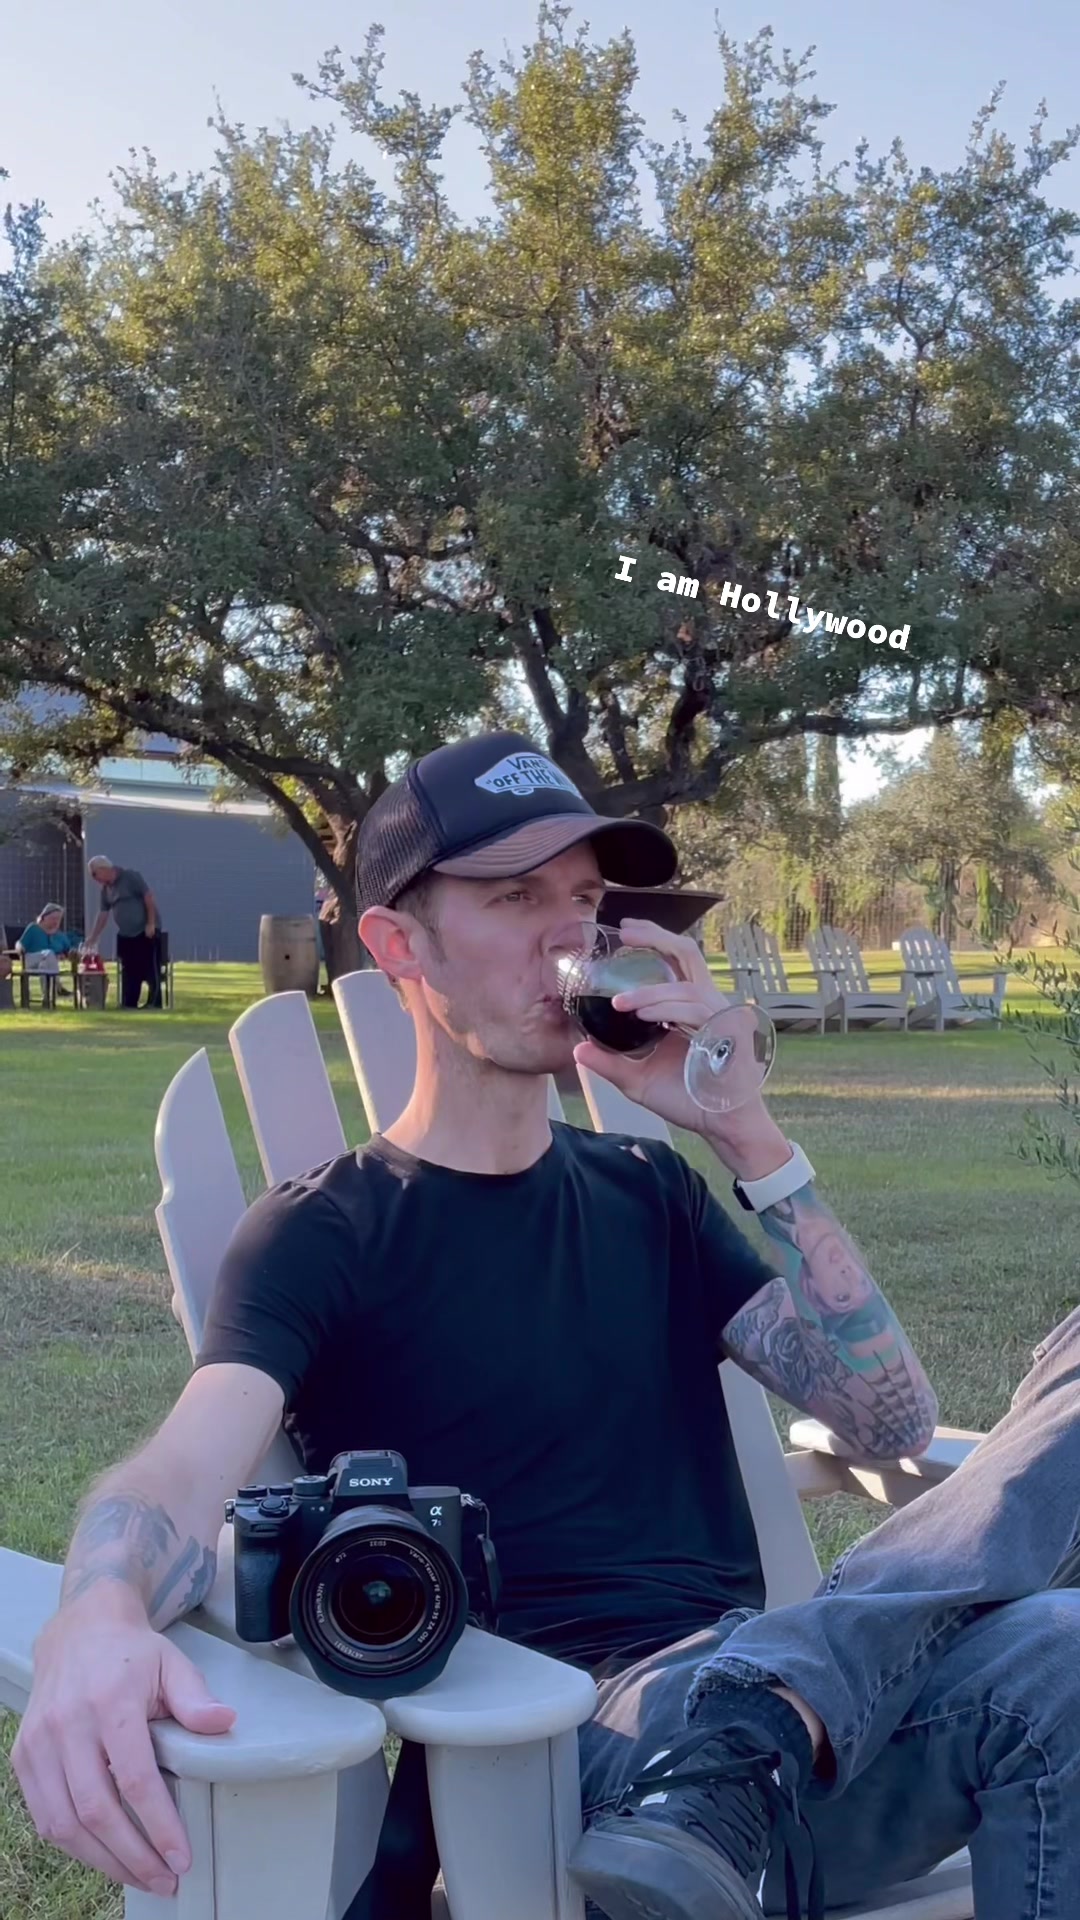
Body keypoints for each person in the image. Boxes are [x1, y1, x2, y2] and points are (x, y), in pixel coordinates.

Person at [10, 730, 1080, 1920]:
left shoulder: (652, 1192)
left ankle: (760, 1721)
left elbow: (892, 1424)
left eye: (582, 900)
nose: (569, 935)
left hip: (786, 1741)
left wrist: (745, 1133)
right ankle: (743, 1729)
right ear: (398, 944)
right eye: (516, 897)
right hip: (577, 1748)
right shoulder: (325, 1233)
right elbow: (179, 1472)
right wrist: (94, 1613)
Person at [82, 857, 162, 1009]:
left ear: (104, 868)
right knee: (129, 970)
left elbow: (148, 897)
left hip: (145, 930)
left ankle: (154, 1002)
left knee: (150, 967)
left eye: (94, 874)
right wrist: (93, 937)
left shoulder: (130, 877)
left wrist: (151, 923)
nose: (94, 879)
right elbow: (103, 914)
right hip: (126, 934)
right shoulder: (106, 890)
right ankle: (129, 1003)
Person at [16, 903, 83, 998]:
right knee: (49, 953)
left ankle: (47, 997)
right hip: (30, 960)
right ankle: (58, 988)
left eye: (58, 919)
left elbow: (69, 951)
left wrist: (73, 954)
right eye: (53, 918)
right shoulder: (33, 928)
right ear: (44, 917)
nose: (56, 921)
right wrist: (19, 948)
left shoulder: (60, 936)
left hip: (47, 964)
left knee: (44, 965)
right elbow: (19, 944)